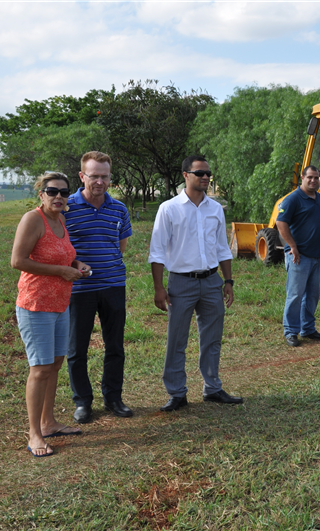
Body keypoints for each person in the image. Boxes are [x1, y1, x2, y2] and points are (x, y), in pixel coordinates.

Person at [148, 155, 243, 411]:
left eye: (208, 174)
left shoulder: (215, 209)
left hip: (212, 281)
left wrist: (228, 281)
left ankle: (212, 388)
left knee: (212, 338)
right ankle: (177, 393)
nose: (205, 178)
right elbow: (157, 252)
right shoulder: (169, 208)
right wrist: (159, 287)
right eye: (200, 173)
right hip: (181, 283)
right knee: (177, 340)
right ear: (185, 175)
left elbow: (223, 248)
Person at [11, 172, 92, 457]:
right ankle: (34, 434)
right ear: (41, 194)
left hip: (60, 304)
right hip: (36, 306)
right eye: (52, 191)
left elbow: (63, 255)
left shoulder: (61, 220)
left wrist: (76, 263)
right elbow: (17, 261)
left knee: (55, 364)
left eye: (64, 192)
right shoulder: (33, 219)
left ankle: (48, 422)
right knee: (40, 368)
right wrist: (61, 271)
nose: (59, 196)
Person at [65, 151, 133, 424]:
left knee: (115, 345)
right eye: (94, 176)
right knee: (76, 349)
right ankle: (82, 402)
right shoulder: (66, 208)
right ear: (82, 176)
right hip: (79, 290)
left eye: (105, 176)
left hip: (113, 285)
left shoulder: (119, 209)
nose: (100, 181)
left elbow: (121, 246)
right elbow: (58, 246)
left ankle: (113, 397)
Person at [275, 165, 320, 347]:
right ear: (302, 177)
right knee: (295, 295)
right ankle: (291, 331)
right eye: (310, 177)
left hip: (317, 257)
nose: (313, 181)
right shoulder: (293, 199)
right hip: (299, 257)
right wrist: (292, 245)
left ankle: (308, 328)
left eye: (316, 178)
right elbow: (280, 222)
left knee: (312, 295)